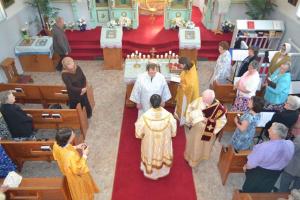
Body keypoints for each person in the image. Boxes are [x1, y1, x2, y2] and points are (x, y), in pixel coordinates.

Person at [242, 122, 294, 192]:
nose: (268, 130)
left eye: (270, 129)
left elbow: (251, 164)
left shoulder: (264, 147)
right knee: (265, 188)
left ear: (275, 134)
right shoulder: (290, 144)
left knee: (249, 189)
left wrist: (246, 167)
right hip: (276, 174)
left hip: (259, 173)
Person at [135, 94, 177, 180]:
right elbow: (173, 132)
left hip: (150, 144)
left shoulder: (144, 117)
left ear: (150, 104)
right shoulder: (168, 116)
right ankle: (163, 171)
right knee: (162, 153)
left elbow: (138, 133)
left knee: (150, 153)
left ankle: (151, 171)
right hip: (163, 144)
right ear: (161, 103)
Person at [53, 128, 99, 200]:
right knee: (83, 190)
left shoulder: (56, 144)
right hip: (77, 176)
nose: (74, 134)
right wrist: (84, 155)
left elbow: (63, 151)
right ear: (67, 139)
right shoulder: (71, 155)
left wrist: (76, 147)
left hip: (67, 170)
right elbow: (78, 169)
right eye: (72, 135)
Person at [184, 89, 227, 167]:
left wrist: (209, 122)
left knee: (203, 147)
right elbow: (190, 108)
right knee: (194, 145)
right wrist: (192, 118)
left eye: (205, 101)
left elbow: (222, 121)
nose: (203, 101)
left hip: (208, 132)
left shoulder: (219, 109)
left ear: (212, 99)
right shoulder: (200, 100)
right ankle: (190, 158)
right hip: (196, 131)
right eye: (203, 99)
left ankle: (201, 158)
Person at [174, 57, 199, 126]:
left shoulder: (191, 73)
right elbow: (183, 75)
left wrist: (181, 84)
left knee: (184, 106)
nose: (180, 66)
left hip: (187, 94)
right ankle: (179, 116)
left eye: (180, 65)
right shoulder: (188, 68)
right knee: (180, 104)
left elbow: (190, 86)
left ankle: (183, 120)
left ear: (184, 64)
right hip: (183, 91)